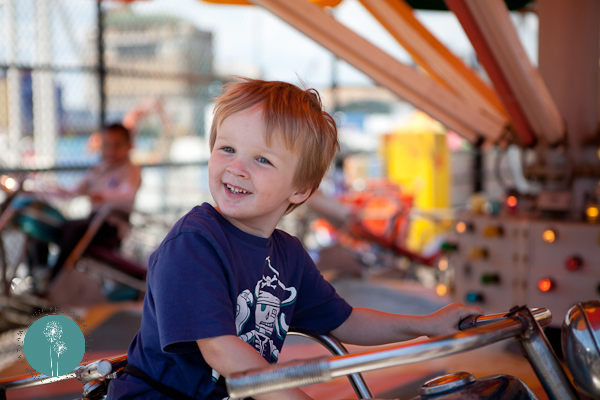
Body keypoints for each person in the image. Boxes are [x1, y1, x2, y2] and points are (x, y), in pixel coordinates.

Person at [107, 78, 481, 400]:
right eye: (227, 148)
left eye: (262, 160)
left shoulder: (288, 255)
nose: (236, 168)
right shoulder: (194, 244)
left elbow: (344, 321)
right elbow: (222, 351)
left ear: (300, 189)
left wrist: (426, 324)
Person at [32, 123, 141, 280]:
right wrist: (42, 189)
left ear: (129, 146)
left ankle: (56, 278)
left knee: (73, 231)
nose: (111, 151)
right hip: (92, 221)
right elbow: (73, 192)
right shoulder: (98, 169)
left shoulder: (131, 170)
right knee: (45, 223)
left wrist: (100, 196)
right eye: (107, 145)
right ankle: (39, 271)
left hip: (111, 225)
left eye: (117, 145)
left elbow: (127, 193)